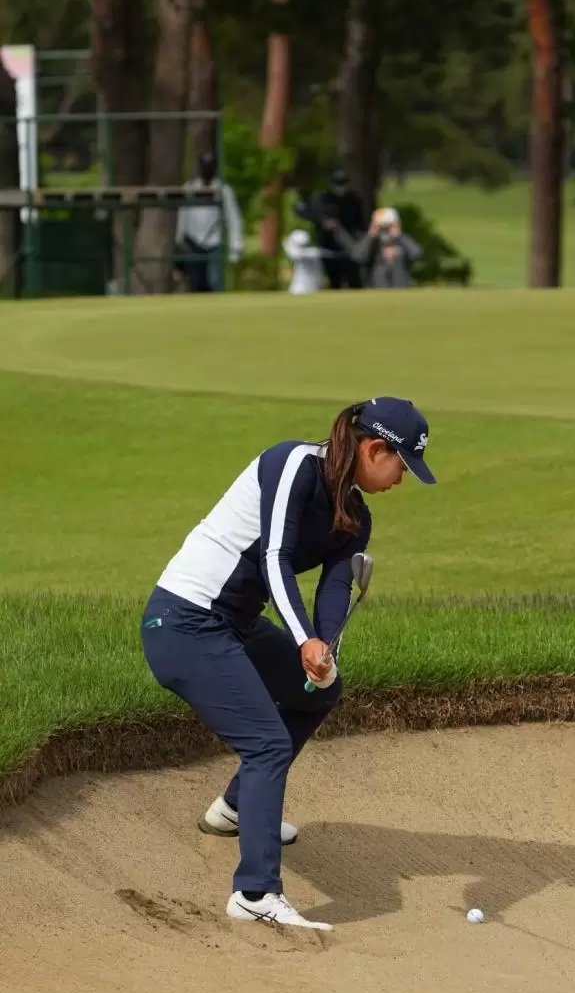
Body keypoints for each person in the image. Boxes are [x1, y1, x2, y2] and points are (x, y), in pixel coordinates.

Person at [139, 397, 436, 931]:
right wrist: (302, 638)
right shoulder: (293, 464)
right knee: (267, 743)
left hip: (236, 627)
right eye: (402, 466)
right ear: (374, 448)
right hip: (184, 622)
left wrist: (324, 649)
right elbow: (275, 556)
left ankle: (234, 811)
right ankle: (254, 892)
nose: (401, 481)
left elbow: (335, 586)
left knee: (319, 692)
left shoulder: (355, 518)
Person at [175, 151, 244, 292]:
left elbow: (233, 218)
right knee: (195, 283)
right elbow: (182, 213)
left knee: (215, 280)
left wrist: (236, 246)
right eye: (205, 166)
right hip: (193, 242)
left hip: (213, 242)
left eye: (210, 166)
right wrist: (179, 237)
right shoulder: (190, 188)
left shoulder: (223, 190)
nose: (208, 169)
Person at [337, 207, 422, 290]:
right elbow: (356, 256)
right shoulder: (372, 245)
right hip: (377, 292)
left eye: (388, 225)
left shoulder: (402, 243)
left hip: (402, 290)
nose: (385, 229)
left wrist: (399, 235)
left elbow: (417, 254)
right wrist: (371, 235)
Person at [315, 168, 368, 290]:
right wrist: (325, 224)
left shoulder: (354, 200)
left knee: (353, 277)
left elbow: (361, 223)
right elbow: (318, 218)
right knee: (334, 279)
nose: (341, 187)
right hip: (329, 245)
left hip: (350, 245)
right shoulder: (324, 199)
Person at [282, 228, 334, 295]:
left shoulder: (312, 253)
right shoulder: (306, 253)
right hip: (299, 288)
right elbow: (294, 253)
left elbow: (293, 252)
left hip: (307, 289)